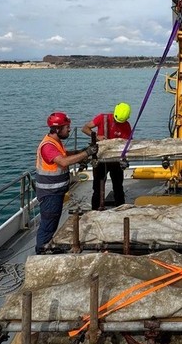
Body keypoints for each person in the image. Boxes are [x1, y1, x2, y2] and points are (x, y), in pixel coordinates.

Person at [35, 112, 94, 254]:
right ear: (57, 129)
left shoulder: (54, 142)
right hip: (50, 193)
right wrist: (87, 153)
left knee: (52, 221)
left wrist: (80, 152)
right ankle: (42, 251)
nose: (69, 129)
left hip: (56, 191)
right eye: (66, 127)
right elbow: (63, 161)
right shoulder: (47, 146)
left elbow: (64, 154)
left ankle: (47, 246)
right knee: (48, 224)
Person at [82, 102, 132, 210]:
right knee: (97, 188)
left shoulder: (126, 126)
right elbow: (85, 128)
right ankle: (95, 211)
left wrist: (123, 158)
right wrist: (96, 136)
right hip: (100, 159)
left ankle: (120, 211)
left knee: (118, 188)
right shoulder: (102, 118)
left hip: (116, 161)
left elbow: (127, 144)